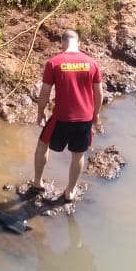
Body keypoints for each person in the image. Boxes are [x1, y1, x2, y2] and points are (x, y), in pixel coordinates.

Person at [30, 29, 102, 203]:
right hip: (84, 118)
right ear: (79, 44)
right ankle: (70, 191)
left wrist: (40, 112)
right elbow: (99, 93)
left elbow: (45, 91)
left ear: (62, 44)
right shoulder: (92, 63)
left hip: (61, 118)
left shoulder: (54, 62)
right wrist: (95, 114)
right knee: (78, 154)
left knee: (42, 144)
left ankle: (38, 182)